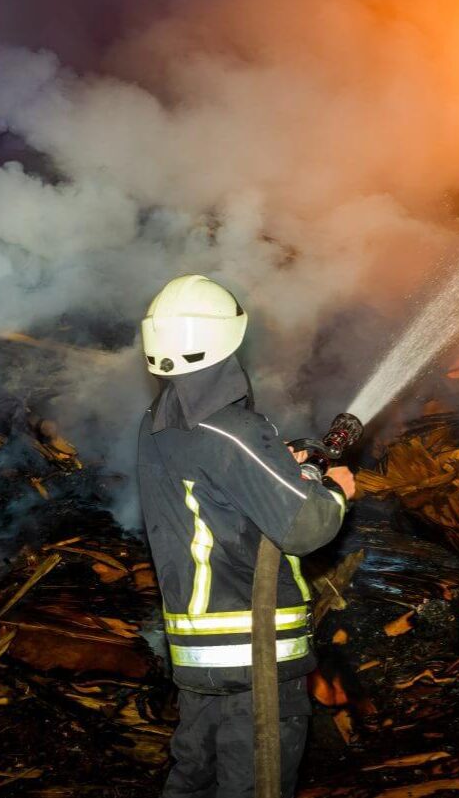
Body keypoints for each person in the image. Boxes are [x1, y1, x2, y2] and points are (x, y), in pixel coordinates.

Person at [136, 274, 355, 798]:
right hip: (254, 659)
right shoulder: (233, 431)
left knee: (193, 778)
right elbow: (305, 526)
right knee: (255, 784)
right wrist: (336, 492)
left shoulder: (155, 424)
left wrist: (280, 467)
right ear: (227, 338)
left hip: (197, 658)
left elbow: (221, 495)